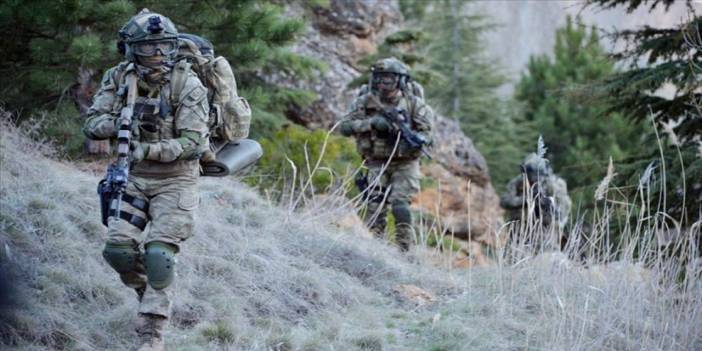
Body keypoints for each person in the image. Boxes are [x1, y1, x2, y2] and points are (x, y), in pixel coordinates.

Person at [83, 9, 209, 351]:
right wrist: (120, 123)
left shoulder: (187, 83)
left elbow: (194, 143)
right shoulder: (119, 78)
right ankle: (148, 291)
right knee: (119, 252)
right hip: (134, 177)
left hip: (176, 180)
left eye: (164, 47)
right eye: (147, 48)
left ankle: (152, 335)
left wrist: (146, 149)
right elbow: (93, 123)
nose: (157, 55)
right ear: (130, 49)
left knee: (159, 255)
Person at [340, 57, 434, 251]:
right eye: (379, 78)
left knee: (401, 206)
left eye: (388, 79)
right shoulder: (364, 101)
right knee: (374, 207)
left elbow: (428, 134)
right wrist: (371, 123)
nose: (383, 83)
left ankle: (405, 251)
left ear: (399, 81)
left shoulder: (414, 104)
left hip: (405, 163)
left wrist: (414, 137)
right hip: (375, 162)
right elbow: (345, 127)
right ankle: (377, 249)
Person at [500, 153, 572, 250]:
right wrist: (526, 199)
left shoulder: (553, 184)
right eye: (528, 173)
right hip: (519, 230)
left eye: (534, 174)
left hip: (546, 230)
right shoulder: (518, 183)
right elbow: (505, 201)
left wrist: (545, 202)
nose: (532, 178)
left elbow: (563, 208)